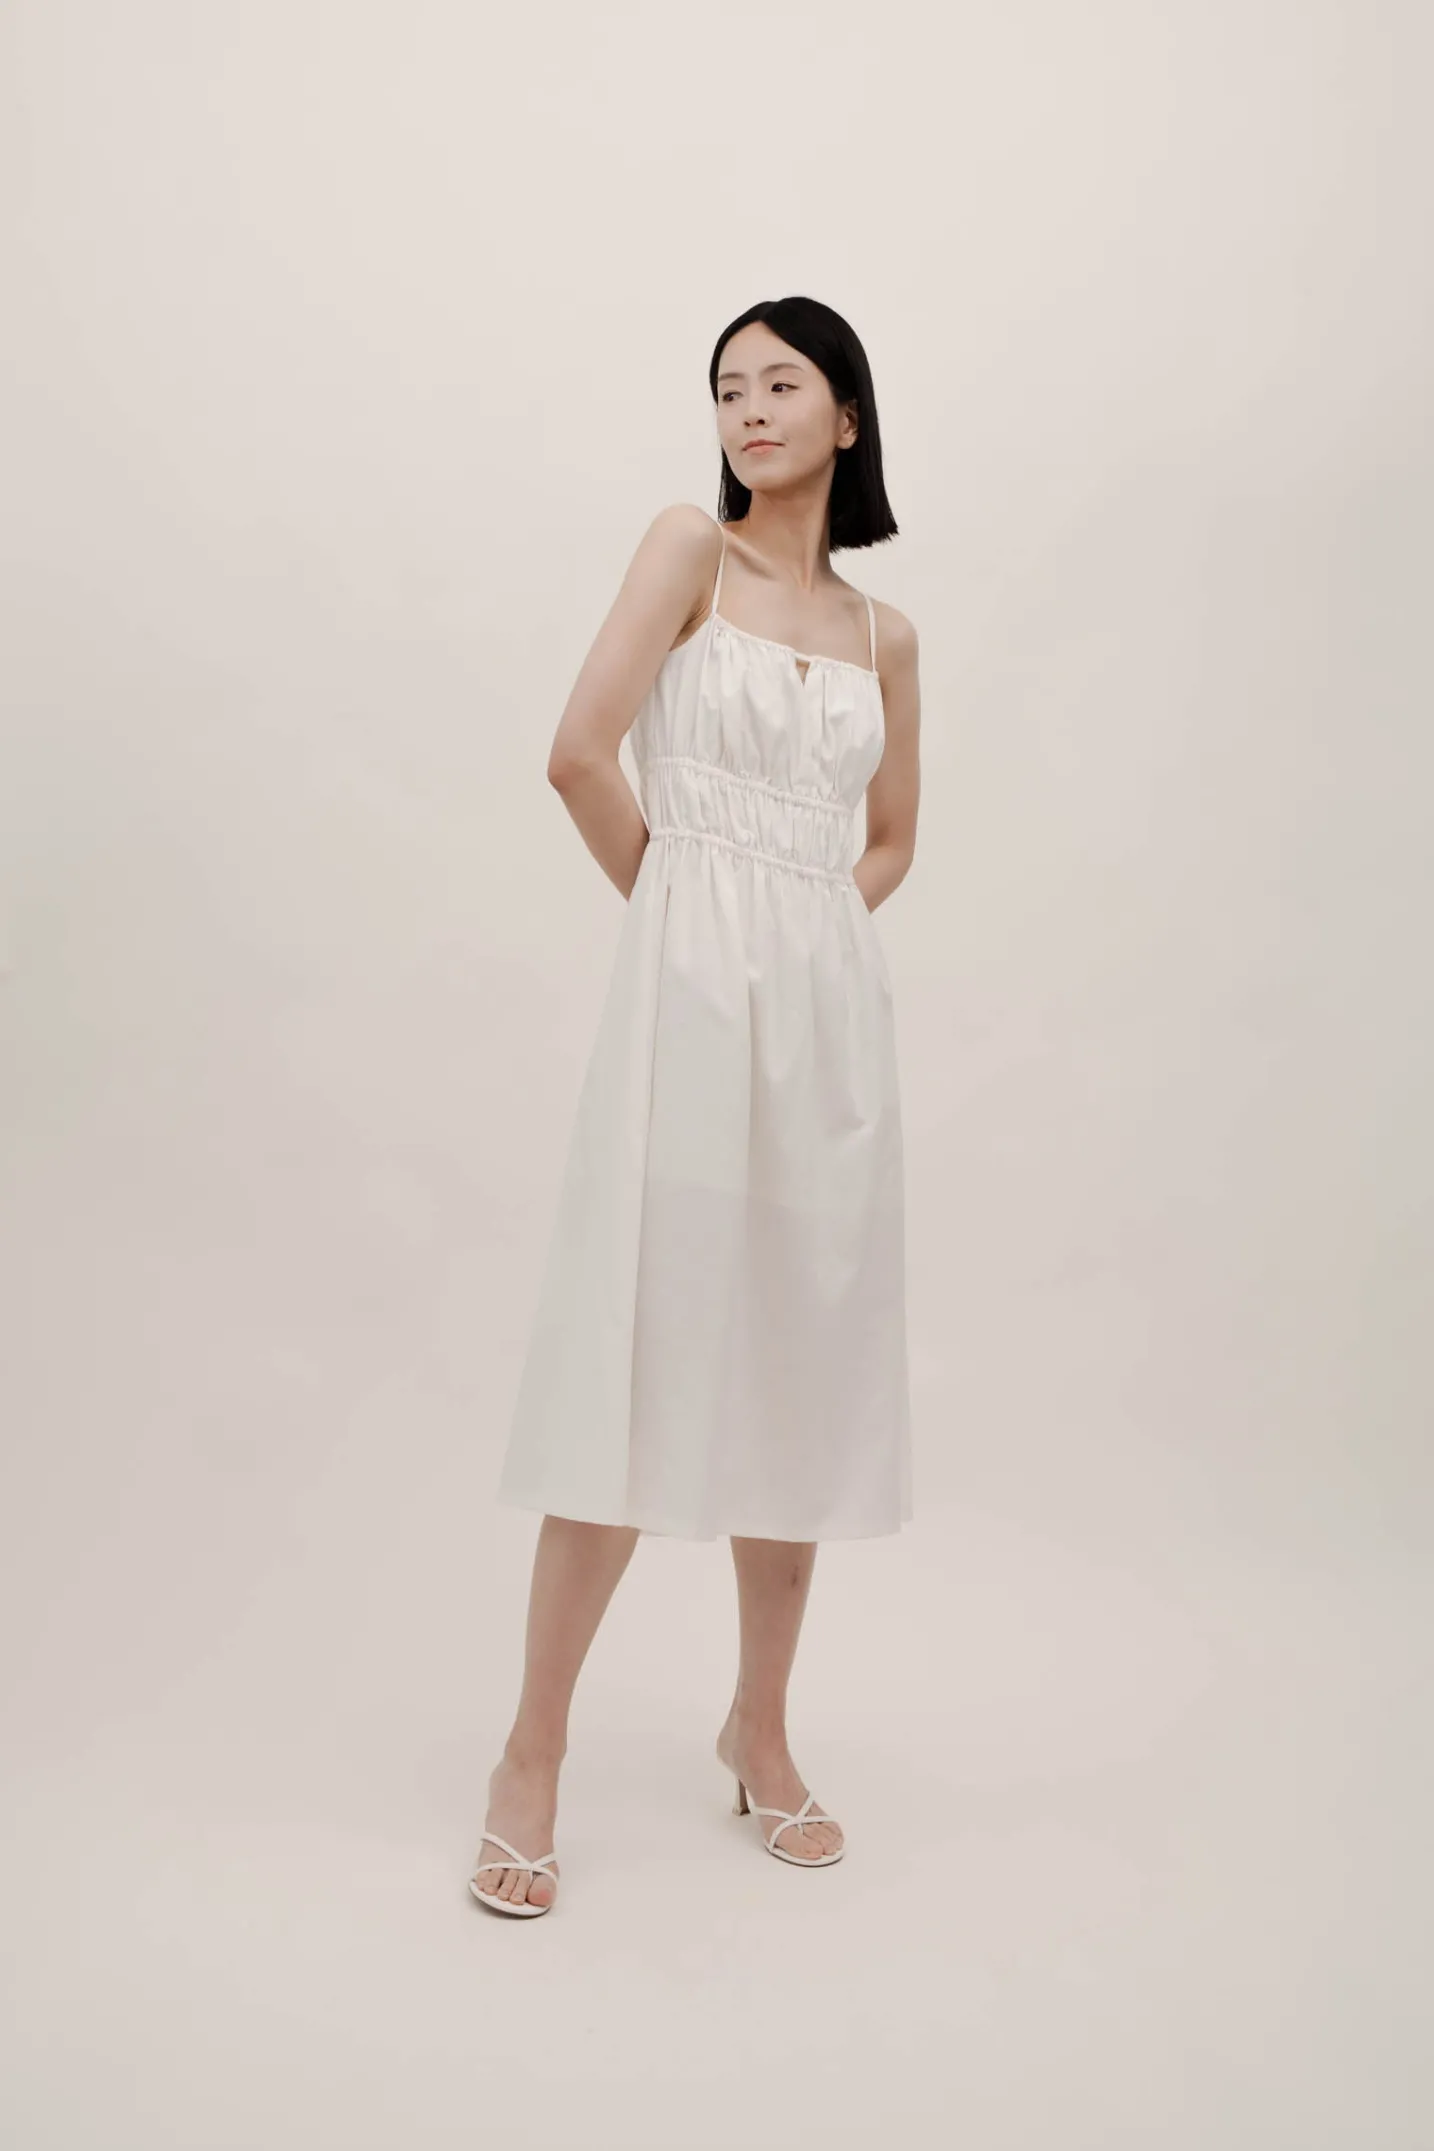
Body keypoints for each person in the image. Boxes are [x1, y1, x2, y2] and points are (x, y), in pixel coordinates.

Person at [470, 297, 922, 1916]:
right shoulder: (686, 550)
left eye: (782, 382)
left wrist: (808, 945)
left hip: (826, 1034)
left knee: (797, 1364)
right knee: (632, 1349)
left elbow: (890, 839)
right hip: (686, 1009)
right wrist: (689, 926)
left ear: (847, 414)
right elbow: (576, 754)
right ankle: (531, 1753)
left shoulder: (886, 637)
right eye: (727, 387)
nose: (749, 408)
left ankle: (761, 1729)